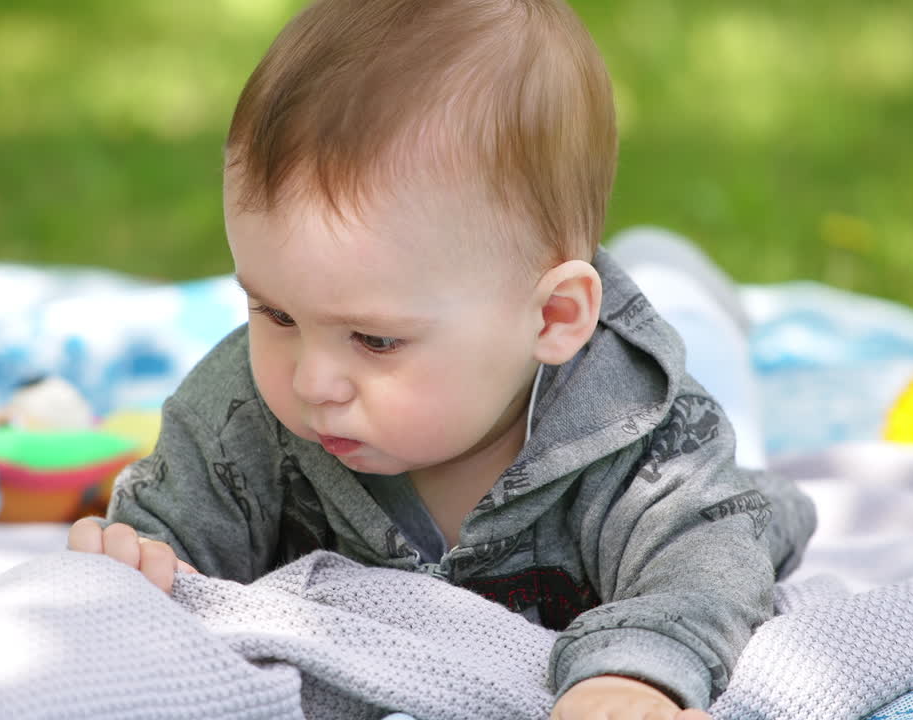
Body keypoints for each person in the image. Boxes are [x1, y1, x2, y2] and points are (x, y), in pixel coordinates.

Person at [67, 0, 816, 717]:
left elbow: (702, 566)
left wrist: (631, 677)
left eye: (375, 340)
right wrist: (140, 562)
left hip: (672, 386)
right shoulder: (240, 412)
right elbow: (166, 541)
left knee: (706, 354)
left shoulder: (645, 430)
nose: (311, 381)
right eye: (276, 312)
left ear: (553, 316)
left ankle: (678, 275)